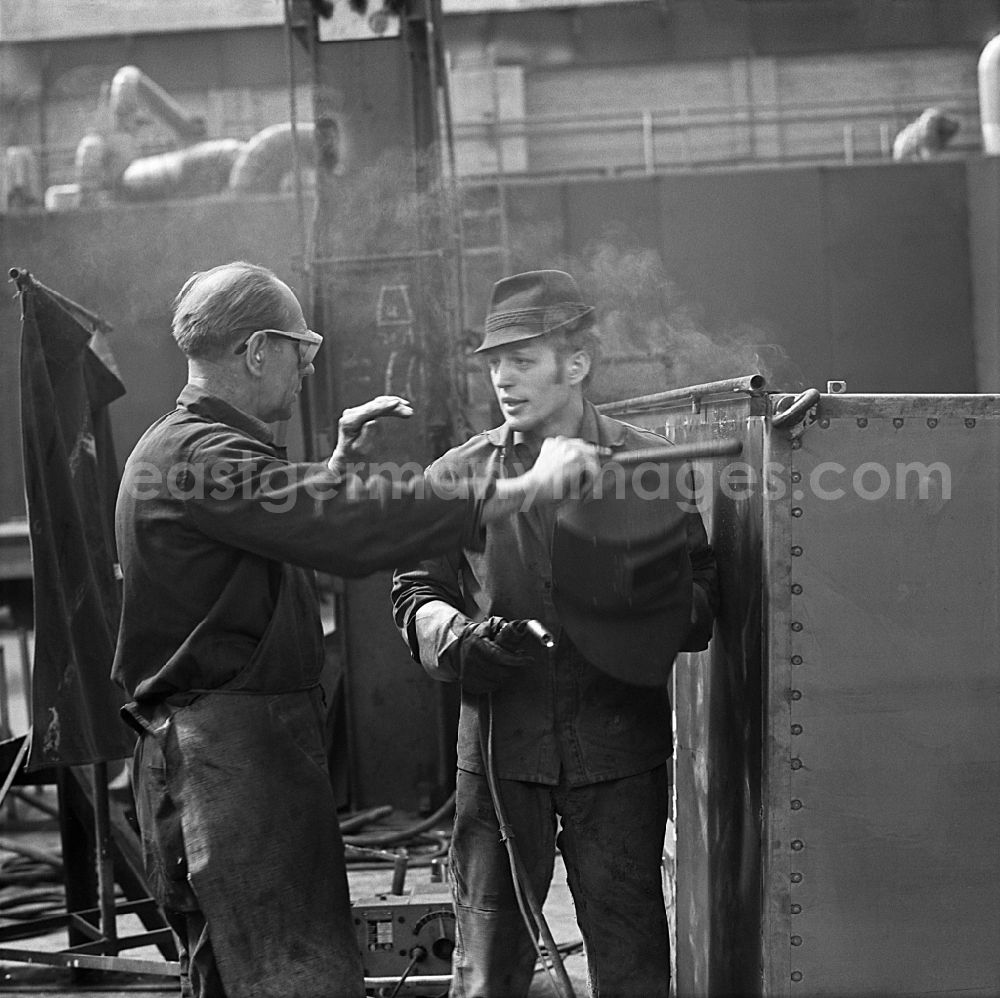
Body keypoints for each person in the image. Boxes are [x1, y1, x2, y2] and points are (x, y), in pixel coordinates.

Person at [112, 261, 600, 998]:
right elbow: (339, 529)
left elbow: (279, 514)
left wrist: (335, 469)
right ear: (255, 351)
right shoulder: (200, 457)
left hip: (244, 760)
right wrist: (520, 491)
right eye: (301, 348)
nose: (310, 366)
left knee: (255, 972)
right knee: (281, 978)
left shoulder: (194, 447)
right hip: (227, 770)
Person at [391, 269, 719, 998]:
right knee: (489, 961)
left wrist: (631, 598)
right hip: (500, 752)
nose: (503, 378)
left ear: (576, 363)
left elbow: (704, 606)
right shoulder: (458, 474)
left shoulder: (647, 467)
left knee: (631, 956)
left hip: (616, 754)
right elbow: (415, 591)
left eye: (523, 359)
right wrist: (457, 640)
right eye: (493, 362)